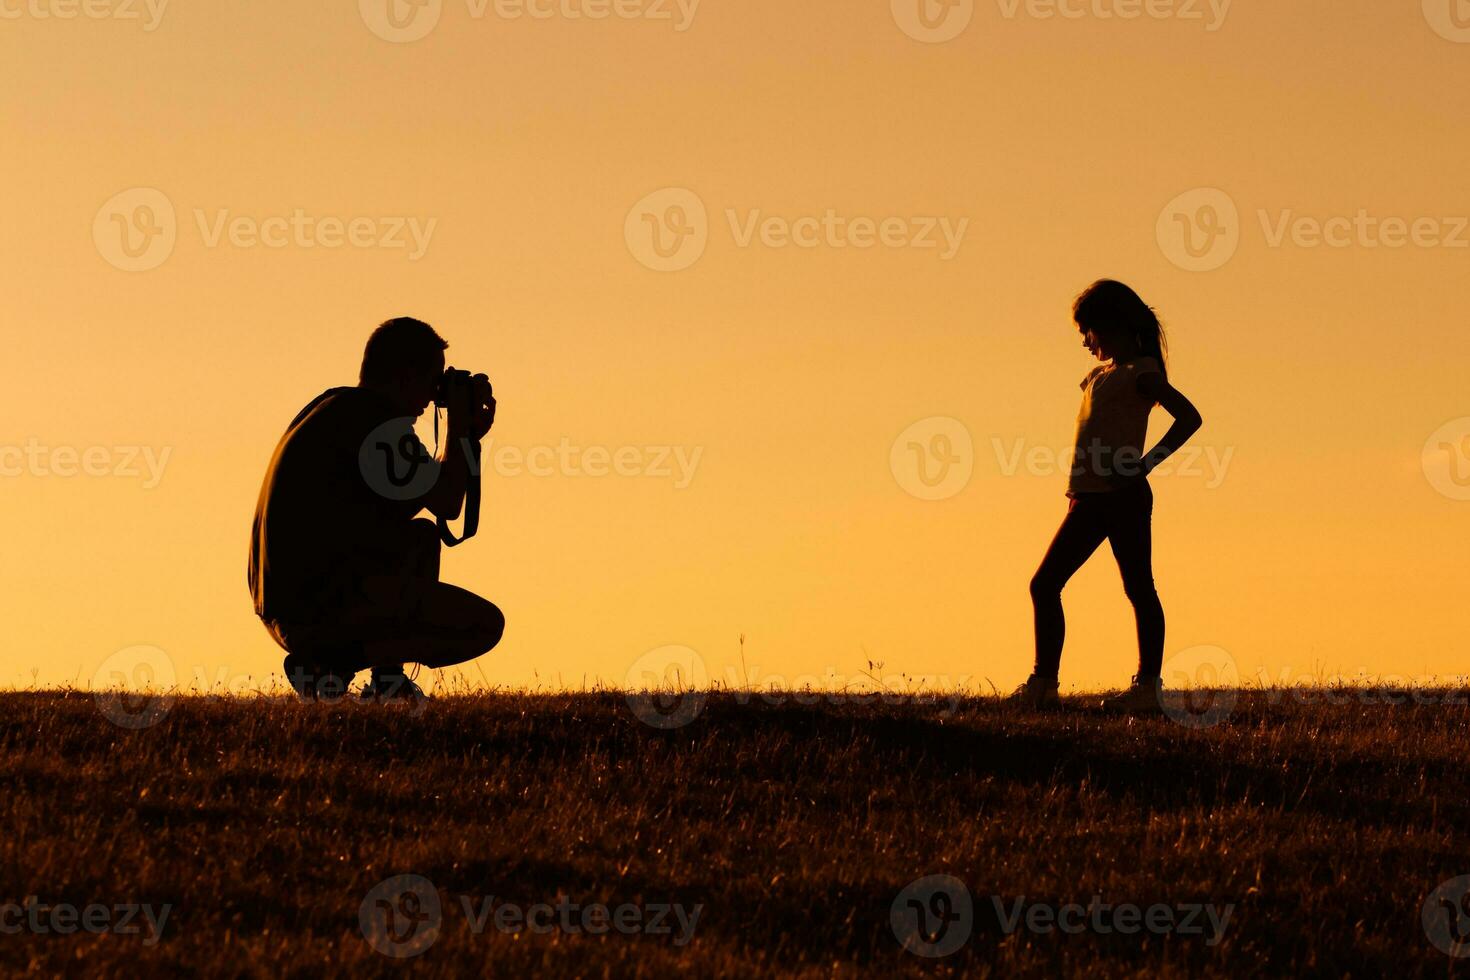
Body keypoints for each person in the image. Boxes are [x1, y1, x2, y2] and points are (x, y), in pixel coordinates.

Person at [248, 317, 505, 700]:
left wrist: (465, 436)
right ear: (404, 376)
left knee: (420, 537)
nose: (431, 399)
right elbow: (448, 502)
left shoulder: (337, 410)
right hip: (316, 609)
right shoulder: (377, 428)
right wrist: (459, 430)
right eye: (432, 382)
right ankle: (331, 664)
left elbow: (423, 503)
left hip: (287, 603)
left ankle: (381, 678)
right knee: (482, 625)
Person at [1010, 280, 1203, 713]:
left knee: (1118, 587)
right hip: (1087, 497)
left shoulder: (1142, 373)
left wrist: (1146, 462)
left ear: (1111, 324)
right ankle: (1048, 684)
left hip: (1119, 498)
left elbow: (1189, 418)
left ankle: (1134, 687)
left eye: (1088, 331)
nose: (1084, 341)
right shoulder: (1099, 376)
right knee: (1053, 585)